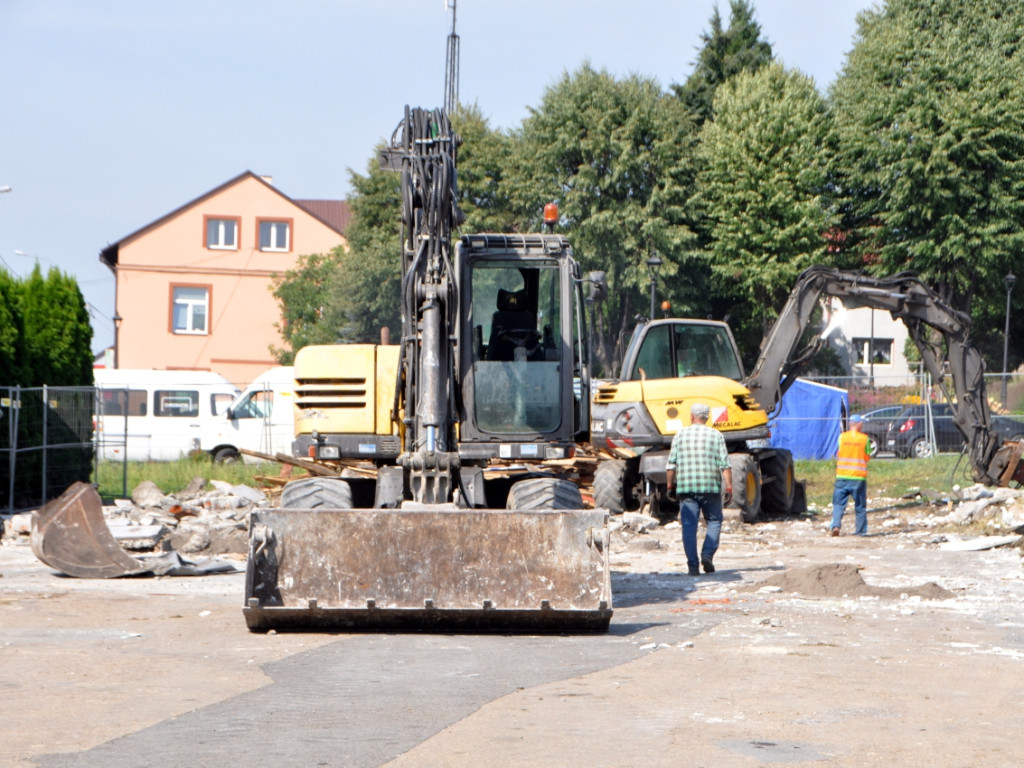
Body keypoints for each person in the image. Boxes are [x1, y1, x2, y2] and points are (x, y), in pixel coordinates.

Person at [666, 402, 732, 575]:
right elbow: (725, 464)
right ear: (707, 418)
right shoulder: (716, 435)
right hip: (710, 487)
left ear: (692, 416)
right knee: (714, 521)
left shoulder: (680, 435)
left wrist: (670, 485)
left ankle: (693, 566)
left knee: (689, 526)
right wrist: (729, 487)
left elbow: (671, 465)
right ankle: (707, 554)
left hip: (687, 489)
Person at [831, 414, 871, 536]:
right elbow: (867, 456)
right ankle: (860, 531)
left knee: (838, 504)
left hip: (842, 476)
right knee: (860, 506)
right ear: (858, 424)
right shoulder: (865, 439)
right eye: (862, 423)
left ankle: (836, 525)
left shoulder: (841, 437)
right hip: (858, 478)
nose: (862, 425)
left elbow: (839, 453)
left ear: (849, 424)